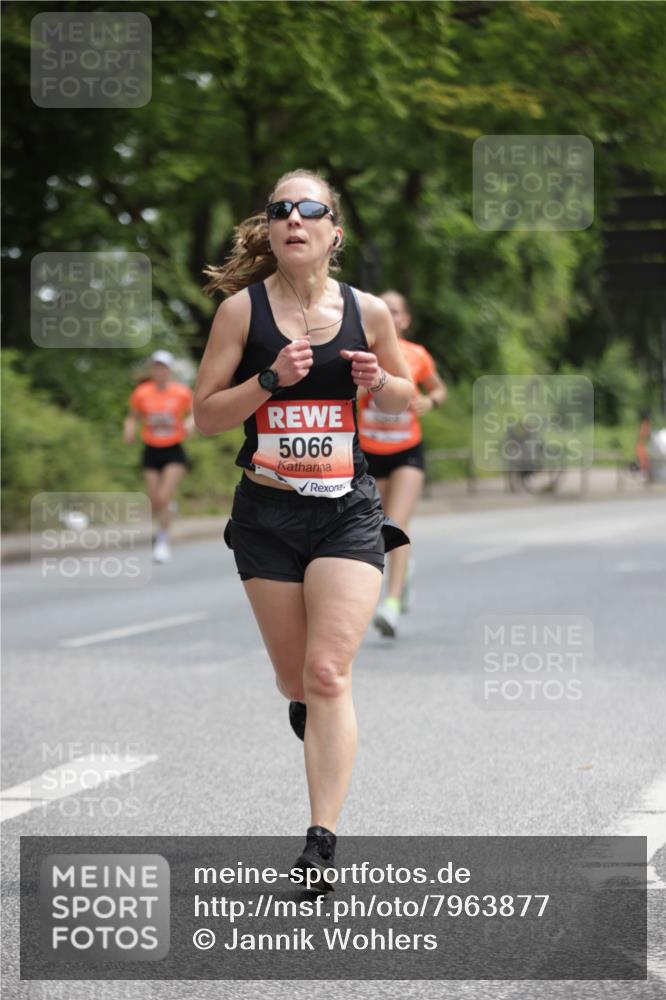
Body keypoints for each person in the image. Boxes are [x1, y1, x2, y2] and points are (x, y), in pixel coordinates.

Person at [195, 169, 413, 887]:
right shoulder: (240, 314)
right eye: (279, 209)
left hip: (346, 510)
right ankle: (311, 711)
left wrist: (379, 384)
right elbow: (205, 415)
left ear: (332, 232)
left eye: (308, 209)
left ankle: (320, 842)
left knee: (328, 672)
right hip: (266, 512)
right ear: (271, 229)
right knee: (295, 677)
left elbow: (410, 392)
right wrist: (268, 382)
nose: (293, 218)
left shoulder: (367, 311)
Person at [358, 291, 446, 638]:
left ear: (405, 320)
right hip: (369, 450)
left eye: (395, 311)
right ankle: (403, 571)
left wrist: (429, 402)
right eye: (383, 310)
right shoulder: (361, 354)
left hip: (407, 449)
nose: (389, 316)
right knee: (378, 526)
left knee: (398, 522)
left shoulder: (417, 355)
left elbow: (439, 390)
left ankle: (391, 604)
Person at [123, 350, 194, 563]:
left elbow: (195, 413)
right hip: (151, 449)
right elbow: (132, 417)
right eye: (156, 367)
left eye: (163, 367)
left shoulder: (181, 392)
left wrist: (190, 425)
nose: (159, 371)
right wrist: (129, 429)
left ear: (169, 370)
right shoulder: (142, 392)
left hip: (174, 449)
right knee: (154, 499)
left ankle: (162, 540)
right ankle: (167, 511)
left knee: (163, 496)